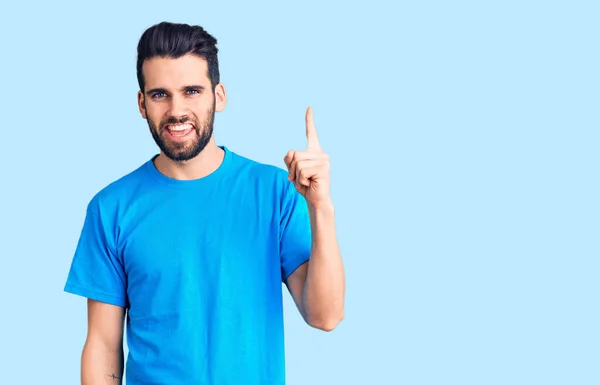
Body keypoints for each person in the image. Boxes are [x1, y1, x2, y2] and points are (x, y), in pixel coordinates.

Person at [63, 21, 345, 385]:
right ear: (141, 103)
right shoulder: (111, 208)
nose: (177, 110)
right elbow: (102, 345)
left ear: (219, 96)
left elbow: (325, 316)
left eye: (192, 91)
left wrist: (321, 207)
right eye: (160, 94)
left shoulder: (275, 191)